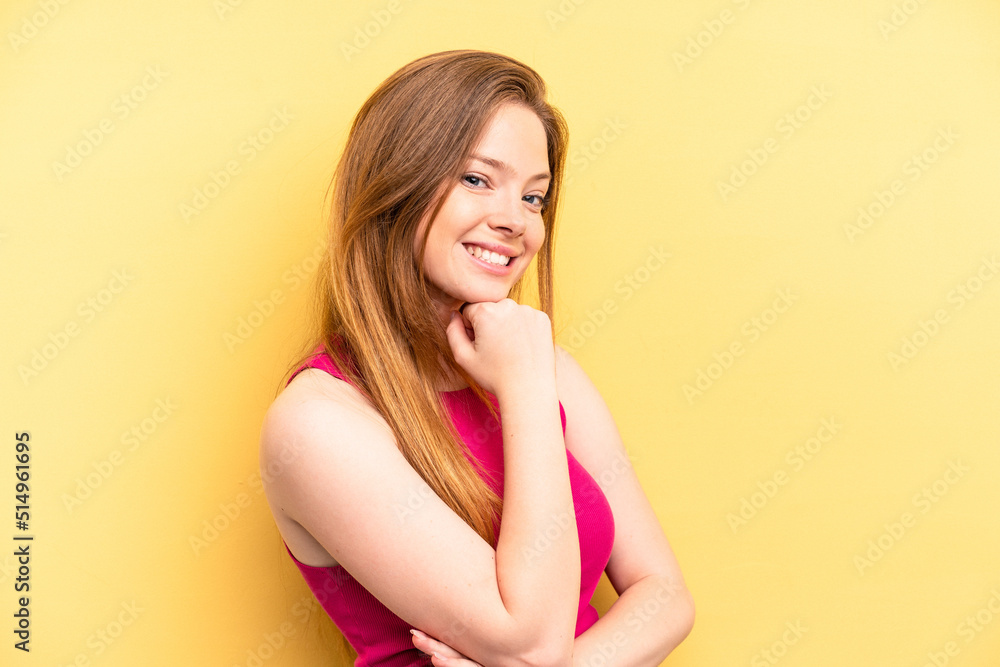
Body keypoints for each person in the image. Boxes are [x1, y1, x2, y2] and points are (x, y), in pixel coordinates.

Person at [259, 49, 694, 667]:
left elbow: (666, 595)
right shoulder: (318, 423)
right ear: (395, 188)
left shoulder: (540, 367)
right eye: (476, 179)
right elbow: (532, 645)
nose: (516, 222)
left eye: (534, 197)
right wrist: (525, 388)